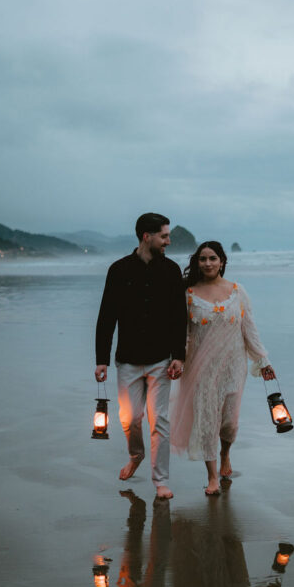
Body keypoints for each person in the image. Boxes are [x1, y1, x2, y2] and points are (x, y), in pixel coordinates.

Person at [171, 241, 275, 495]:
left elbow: (249, 328)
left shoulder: (237, 292)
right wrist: (178, 360)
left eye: (213, 258)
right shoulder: (188, 294)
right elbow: (182, 333)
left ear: (222, 262)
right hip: (201, 368)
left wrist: (263, 362)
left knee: (229, 423)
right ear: (197, 262)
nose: (207, 263)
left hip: (233, 367)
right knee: (207, 421)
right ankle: (212, 477)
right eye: (203, 259)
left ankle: (225, 453)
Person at [95, 213, 186, 500]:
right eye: (164, 236)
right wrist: (101, 359)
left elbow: (178, 317)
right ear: (147, 236)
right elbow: (106, 316)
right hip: (127, 359)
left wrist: (178, 356)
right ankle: (136, 455)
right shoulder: (119, 270)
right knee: (130, 417)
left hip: (161, 359)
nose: (168, 241)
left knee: (158, 419)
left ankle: (161, 481)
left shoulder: (171, 271)